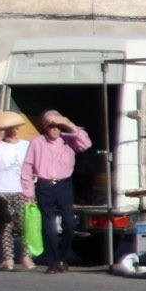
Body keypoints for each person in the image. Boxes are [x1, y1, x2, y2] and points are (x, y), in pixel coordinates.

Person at [21, 109, 91, 273]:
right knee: (49, 226)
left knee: (70, 223)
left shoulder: (69, 140)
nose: (55, 129)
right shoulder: (37, 142)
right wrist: (28, 191)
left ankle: (63, 257)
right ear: (45, 126)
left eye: (57, 126)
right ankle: (52, 261)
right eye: (51, 125)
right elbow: (27, 166)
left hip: (64, 185)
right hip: (44, 185)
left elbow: (86, 144)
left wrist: (67, 122)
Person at [0, 110, 36, 270]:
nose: (11, 131)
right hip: (0, 190)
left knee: (24, 225)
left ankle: (26, 256)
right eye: (8, 128)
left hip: (21, 189)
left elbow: (32, 166)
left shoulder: (25, 145)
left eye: (14, 128)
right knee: (4, 225)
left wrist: (30, 188)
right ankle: (8, 259)